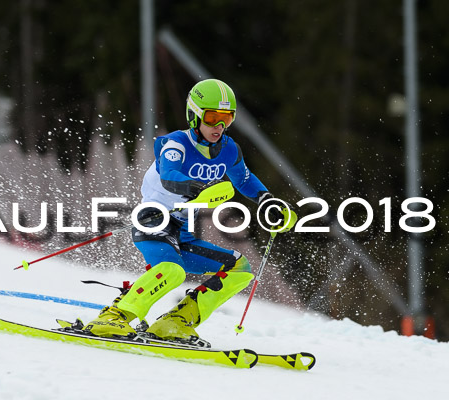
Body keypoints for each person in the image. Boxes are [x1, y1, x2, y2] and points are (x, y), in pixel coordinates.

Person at [80, 78, 296, 343]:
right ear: (194, 114)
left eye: (227, 119)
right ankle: (113, 316)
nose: (219, 126)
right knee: (172, 270)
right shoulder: (176, 144)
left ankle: (175, 322)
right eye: (213, 117)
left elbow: (243, 179)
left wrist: (266, 200)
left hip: (185, 231)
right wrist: (196, 188)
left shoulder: (229, 150)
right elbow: (168, 175)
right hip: (153, 222)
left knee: (239, 268)